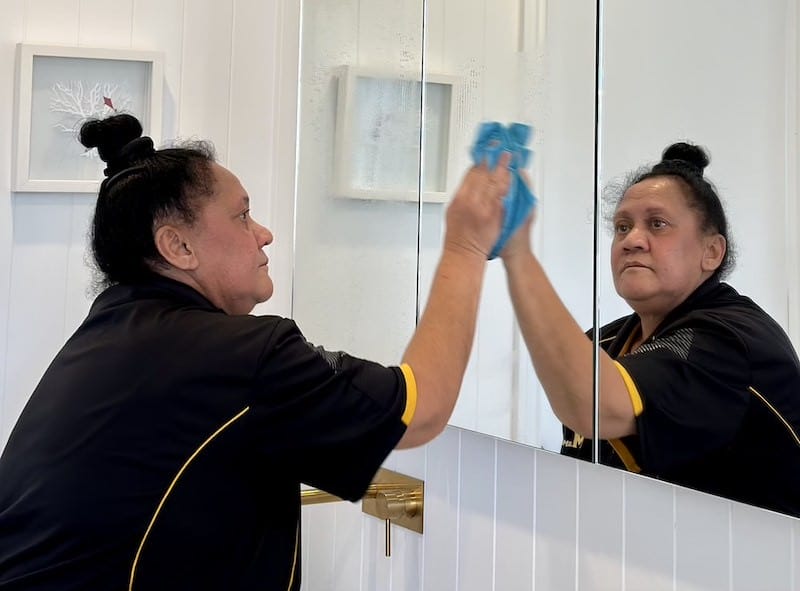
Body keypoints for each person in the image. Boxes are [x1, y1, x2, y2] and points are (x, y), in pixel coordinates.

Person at [0, 113, 511, 590]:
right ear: (178, 247)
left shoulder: (109, 337)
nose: (264, 234)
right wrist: (466, 246)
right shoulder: (244, 356)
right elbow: (422, 409)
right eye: (243, 216)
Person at [501, 141, 800, 517]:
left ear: (712, 252)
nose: (632, 240)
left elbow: (593, 405)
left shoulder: (728, 342)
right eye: (622, 227)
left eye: (657, 225)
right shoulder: (603, 343)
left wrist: (518, 254)